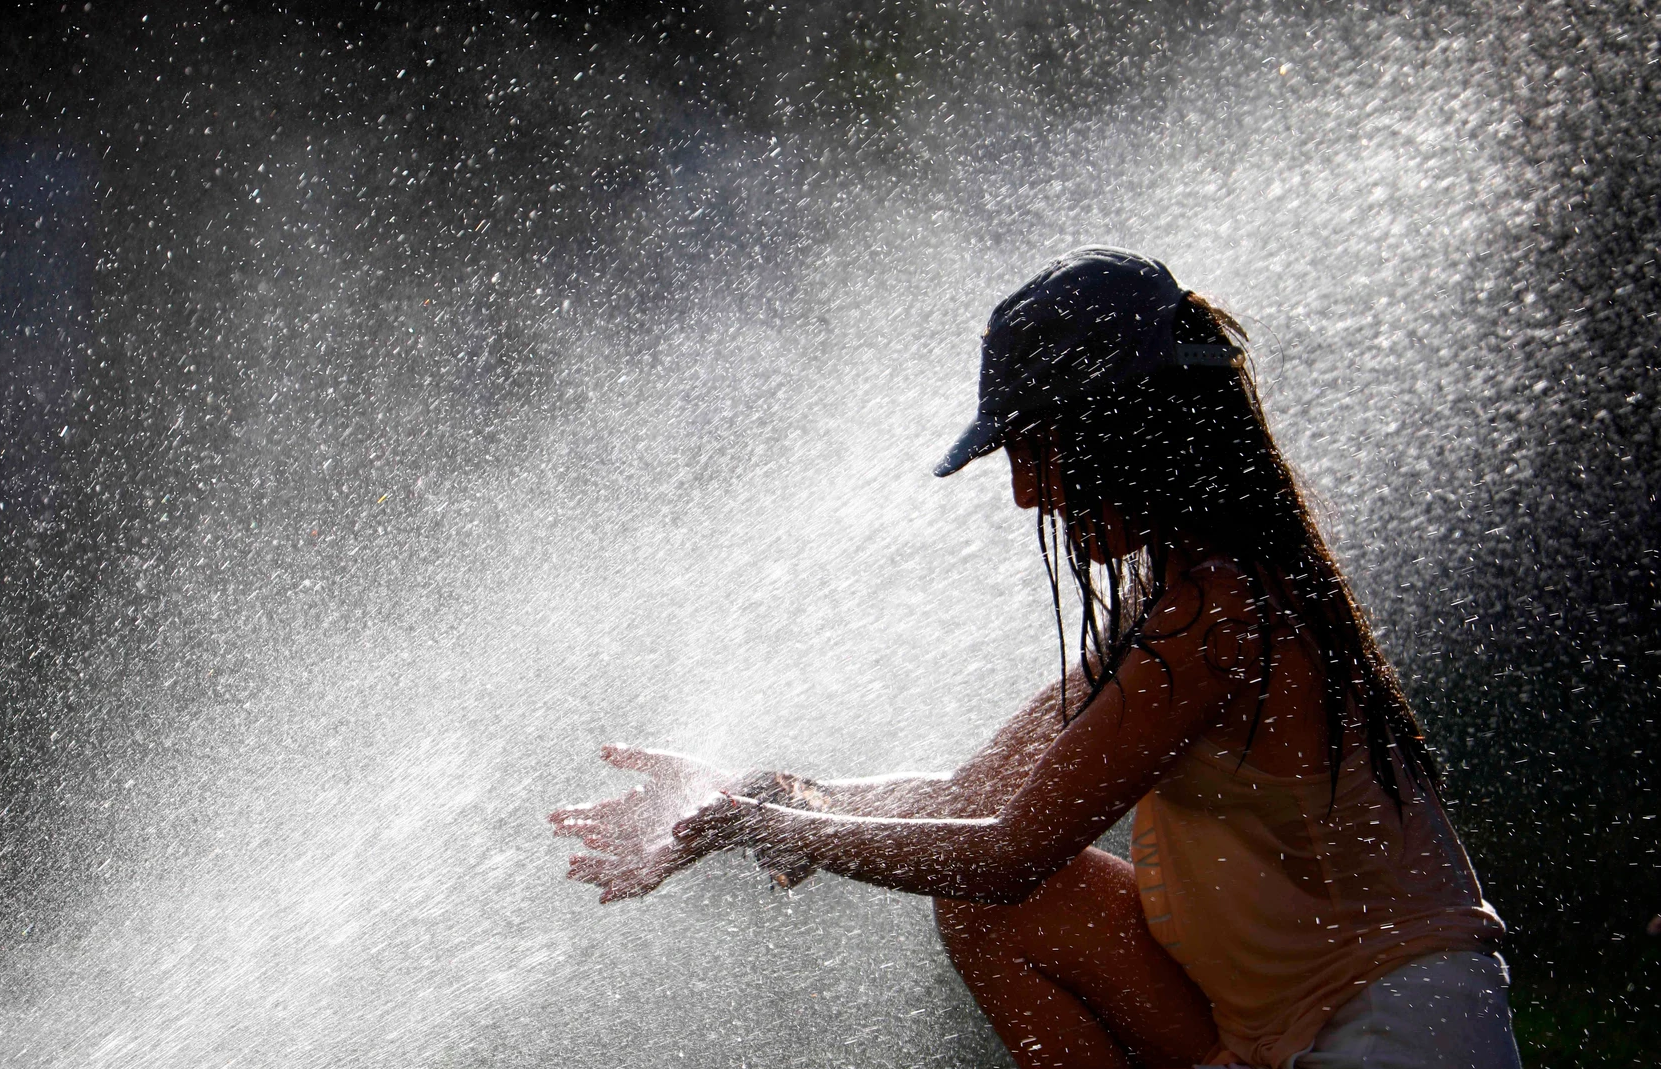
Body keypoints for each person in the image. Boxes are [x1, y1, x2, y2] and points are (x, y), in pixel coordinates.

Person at [550, 248, 1521, 1069]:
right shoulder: (1174, 600)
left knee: (1000, 890)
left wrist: (760, 826)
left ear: (1124, 429)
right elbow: (977, 796)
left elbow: (1009, 853)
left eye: (1032, 448)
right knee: (996, 906)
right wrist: (762, 794)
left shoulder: (1221, 611)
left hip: (1394, 1036)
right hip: (1291, 1030)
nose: (1023, 495)